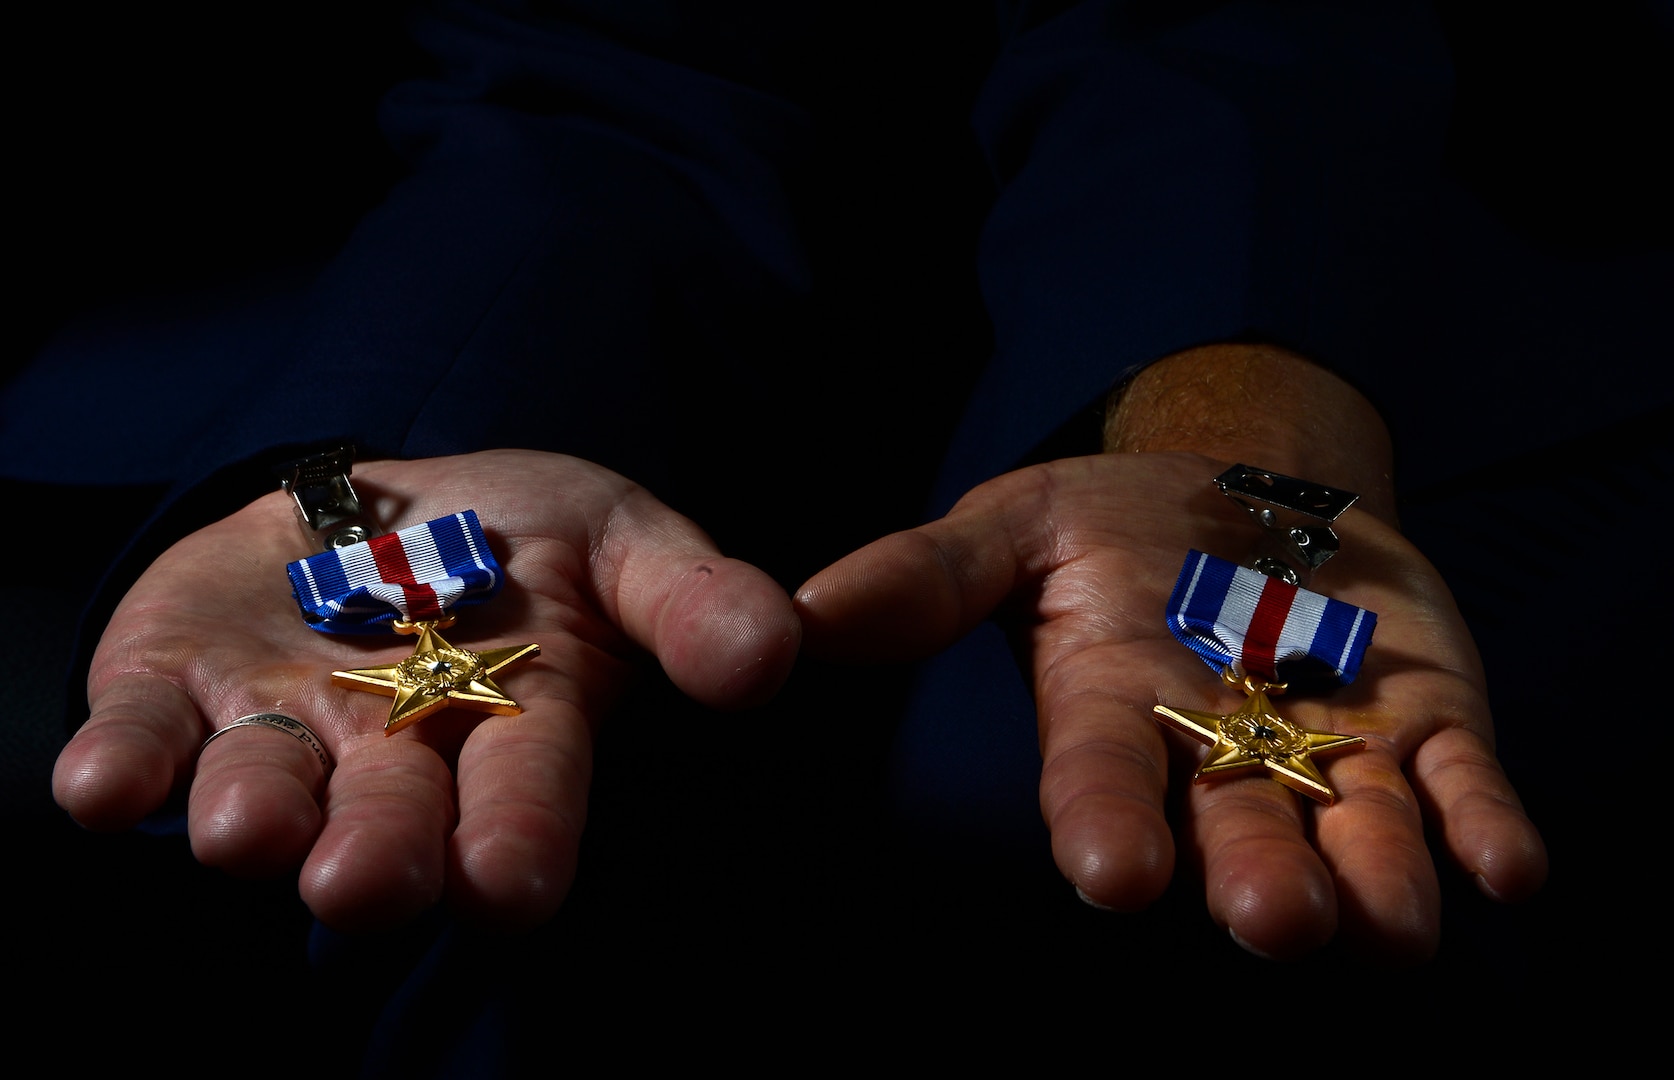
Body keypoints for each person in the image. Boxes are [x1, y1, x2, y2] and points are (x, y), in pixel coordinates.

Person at [10, 1, 1668, 1071]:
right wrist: (366, 460)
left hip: (1410, 246)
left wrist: (1251, 423)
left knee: (1092, 837)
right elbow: (611, 72)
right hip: (370, 274)